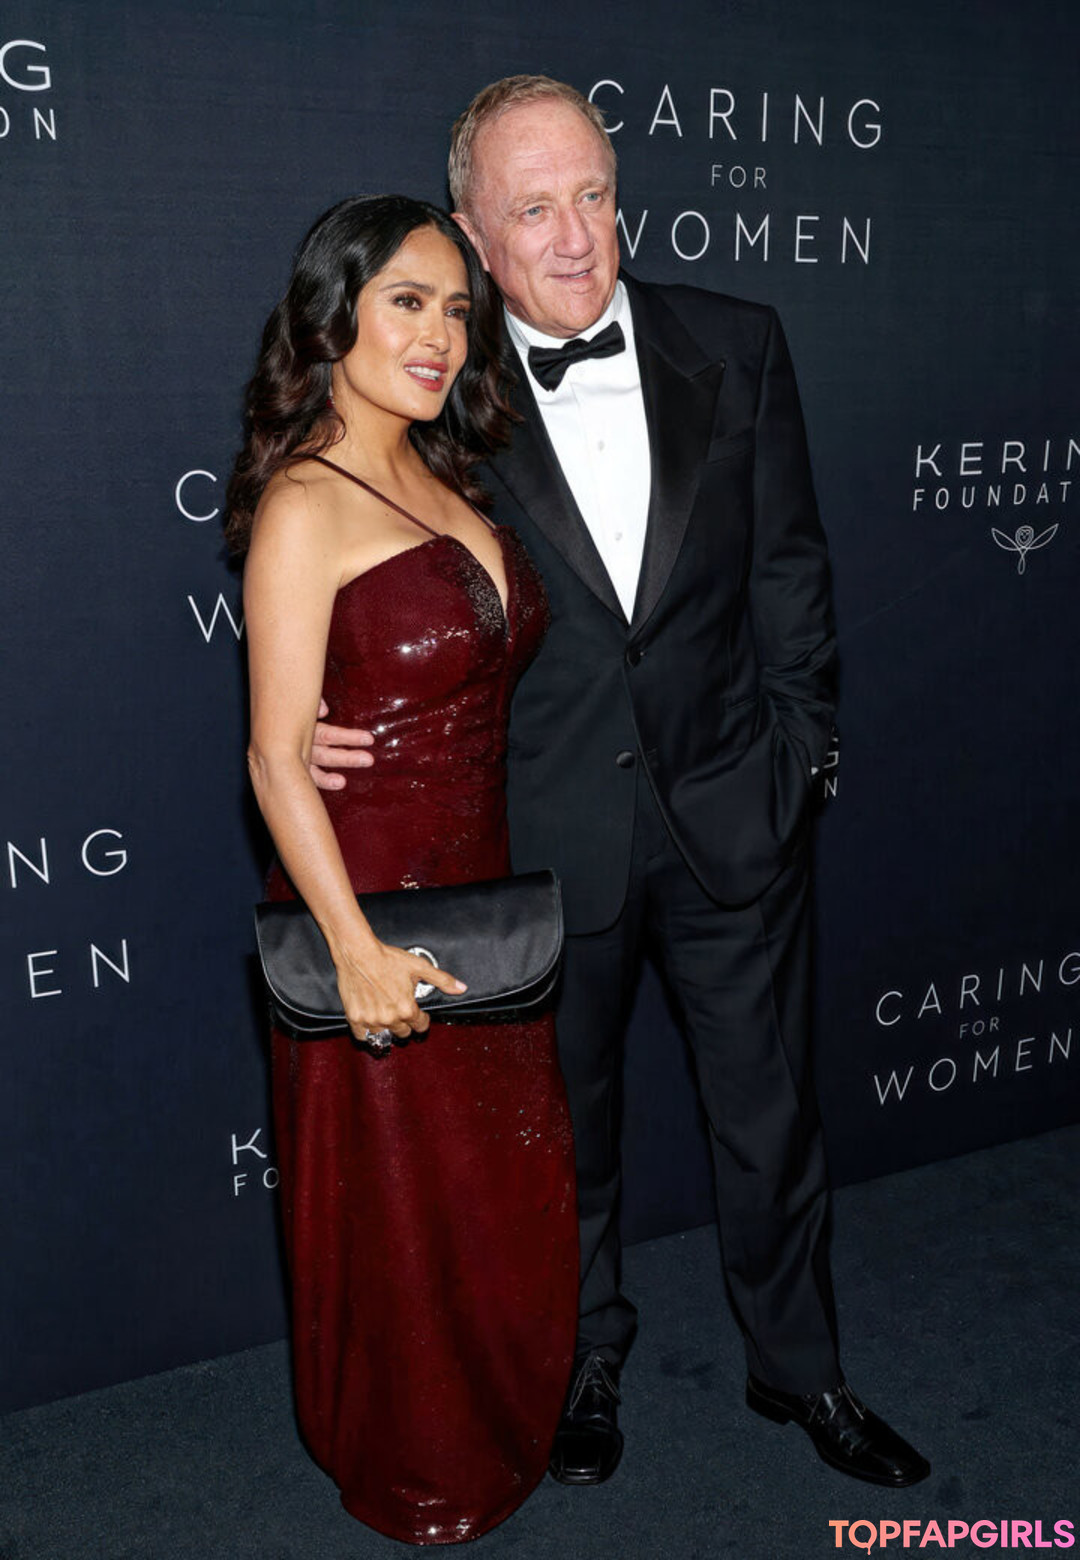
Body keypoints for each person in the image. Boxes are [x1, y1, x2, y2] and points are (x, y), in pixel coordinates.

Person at [311, 79, 931, 1492]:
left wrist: (799, 759)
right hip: (543, 833)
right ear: (475, 233)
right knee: (566, 1134)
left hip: (734, 812)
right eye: (533, 209)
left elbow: (792, 573)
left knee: (772, 1118)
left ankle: (802, 1371)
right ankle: (582, 1361)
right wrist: (317, 721)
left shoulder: (737, 342)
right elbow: (331, 540)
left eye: (592, 194)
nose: (576, 235)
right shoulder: (435, 394)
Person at [227, 193, 578, 1544]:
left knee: (487, 1189)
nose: (440, 336)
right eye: (408, 302)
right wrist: (356, 950)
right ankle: (416, 1458)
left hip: (479, 884)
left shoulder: (448, 473)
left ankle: (497, 1421)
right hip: (366, 898)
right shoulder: (306, 502)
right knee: (400, 1207)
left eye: (458, 309)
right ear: (335, 317)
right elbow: (275, 759)